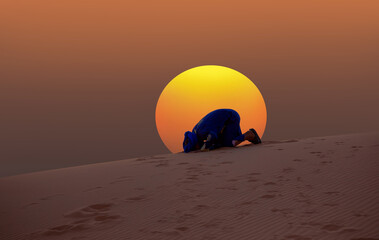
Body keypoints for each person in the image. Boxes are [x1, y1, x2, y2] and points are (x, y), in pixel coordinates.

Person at [183, 108, 261, 153]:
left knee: (230, 143)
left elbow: (212, 135)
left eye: (194, 147)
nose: (196, 148)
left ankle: (250, 135)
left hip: (231, 117)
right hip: (225, 119)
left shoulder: (201, 132)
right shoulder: (195, 131)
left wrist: (204, 148)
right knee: (221, 142)